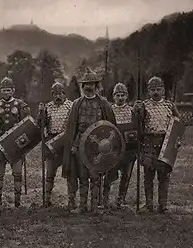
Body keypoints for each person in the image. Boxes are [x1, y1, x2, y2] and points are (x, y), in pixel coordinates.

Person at [62, 68, 116, 214]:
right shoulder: (77, 104)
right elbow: (72, 127)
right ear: (82, 86)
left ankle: (95, 206)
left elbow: (110, 127)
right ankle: (82, 205)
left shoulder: (103, 104)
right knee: (83, 176)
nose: (88, 87)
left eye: (91, 84)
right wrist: (73, 145)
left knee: (95, 176)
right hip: (80, 144)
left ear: (96, 85)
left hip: (98, 146)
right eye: (86, 84)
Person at [133, 76, 181, 213]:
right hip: (148, 142)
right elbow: (137, 122)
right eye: (152, 90)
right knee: (148, 176)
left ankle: (163, 205)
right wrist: (135, 110)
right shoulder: (144, 105)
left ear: (163, 90)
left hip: (164, 143)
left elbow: (178, 122)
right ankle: (149, 204)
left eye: (158, 89)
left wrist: (176, 139)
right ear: (148, 91)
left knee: (164, 176)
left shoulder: (169, 105)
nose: (155, 92)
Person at [0, 77, 31, 207]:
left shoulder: (20, 104)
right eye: (4, 90)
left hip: (16, 143)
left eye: (8, 90)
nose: (6, 92)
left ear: (13, 90)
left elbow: (27, 123)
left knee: (17, 172)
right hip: (0, 142)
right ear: (1, 91)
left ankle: (17, 200)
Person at [37, 81, 74, 208]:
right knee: (50, 173)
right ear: (52, 95)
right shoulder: (48, 107)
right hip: (52, 141)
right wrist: (41, 113)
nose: (58, 97)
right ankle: (46, 199)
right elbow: (41, 124)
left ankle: (71, 200)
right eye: (55, 94)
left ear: (64, 94)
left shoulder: (71, 106)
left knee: (70, 172)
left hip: (67, 141)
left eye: (60, 94)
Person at [102, 82, 136, 209]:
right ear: (113, 96)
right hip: (113, 149)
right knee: (109, 174)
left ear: (126, 96)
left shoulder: (132, 110)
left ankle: (121, 199)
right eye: (118, 95)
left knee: (126, 175)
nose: (120, 98)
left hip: (129, 149)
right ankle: (104, 199)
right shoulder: (109, 111)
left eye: (123, 95)